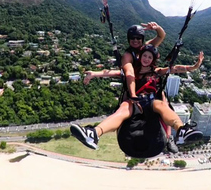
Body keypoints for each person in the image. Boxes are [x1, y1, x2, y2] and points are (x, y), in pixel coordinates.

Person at [71, 45, 204, 150]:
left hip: (151, 101)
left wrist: (193, 67)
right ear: (140, 57)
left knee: (162, 105)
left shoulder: (156, 71)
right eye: (144, 56)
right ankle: (94, 134)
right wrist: (94, 74)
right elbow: (113, 73)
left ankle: (181, 130)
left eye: (149, 57)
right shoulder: (132, 72)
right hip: (135, 101)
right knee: (123, 109)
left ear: (153, 60)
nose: (146, 59)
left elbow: (174, 69)